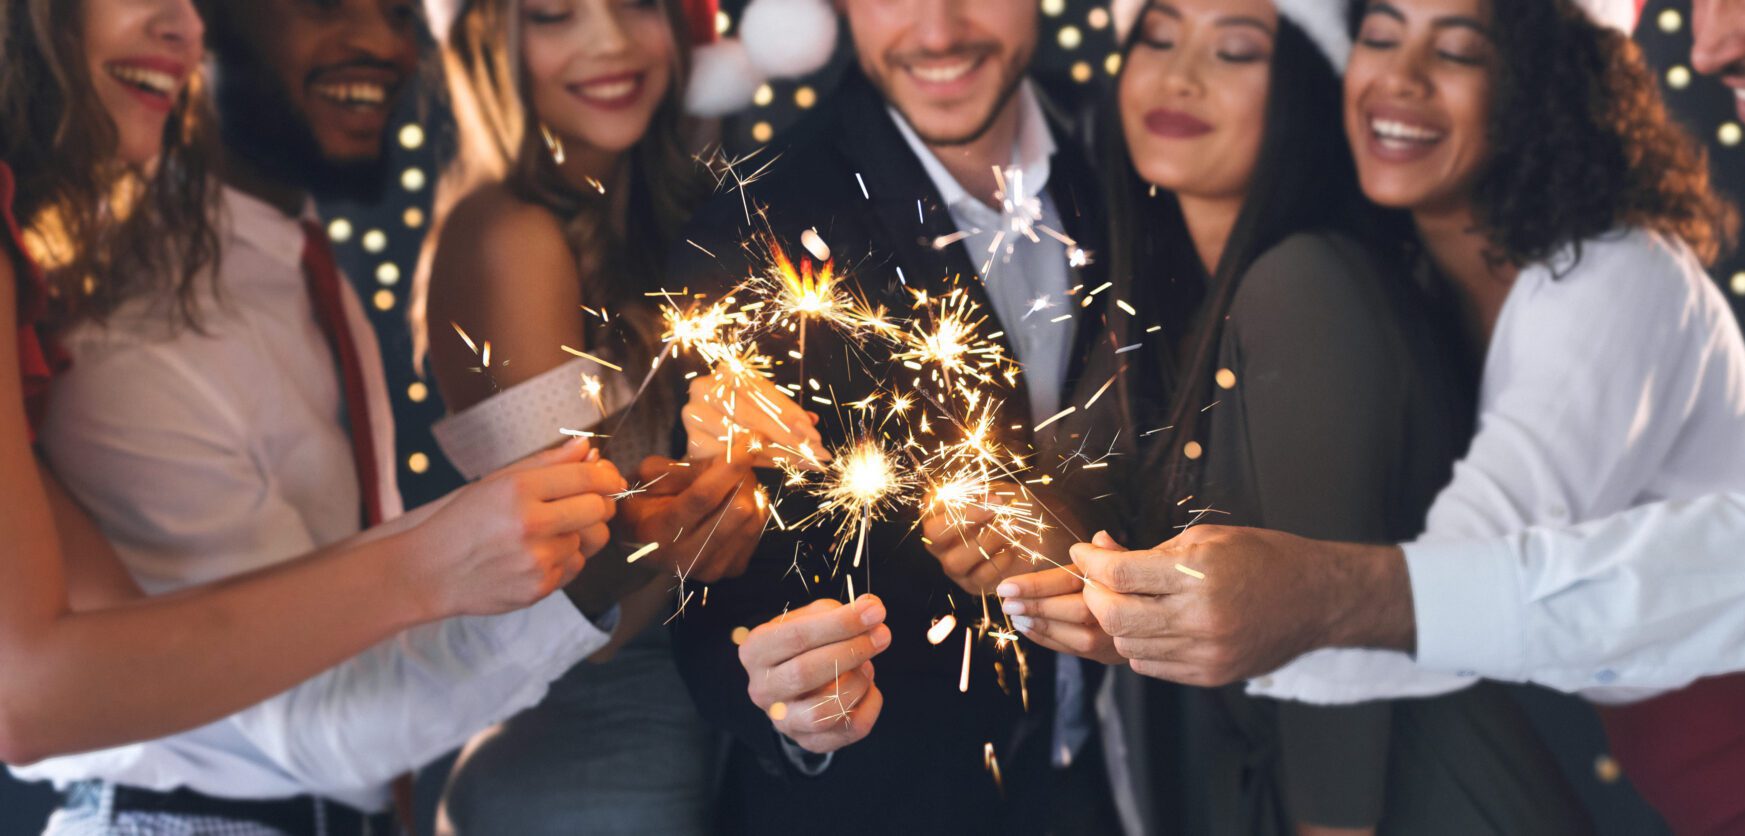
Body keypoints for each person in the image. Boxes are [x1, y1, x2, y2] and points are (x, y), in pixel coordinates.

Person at [1033, 0, 1745, 738]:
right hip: (1685, 766)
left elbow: (1469, 579)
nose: (1401, 79)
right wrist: (1144, 611)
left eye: (1457, 50)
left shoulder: (1615, 279)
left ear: (1540, 92)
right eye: (1379, 37)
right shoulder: (1405, 284)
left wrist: (1194, 621)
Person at [13, 1, 670, 833]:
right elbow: (317, 726)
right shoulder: (142, 323)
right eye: (324, 3)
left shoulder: (287, 263)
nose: (382, 44)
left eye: (399, 12)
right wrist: (631, 549)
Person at [1013, 0, 1588, 832]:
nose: (1179, 76)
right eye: (1160, 37)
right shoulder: (1158, 308)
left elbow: (1335, 666)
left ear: (1309, 91)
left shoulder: (1304, 285)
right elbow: (1078, 503)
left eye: (1236, 51)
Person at [664, 0, 1122, 832]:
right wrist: (792, 702)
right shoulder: (758, 223)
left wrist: (1076, 538)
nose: (938, 31)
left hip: (1113, 775)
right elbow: (708, 588)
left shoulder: (1135, 158)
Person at [414, 0, 775, 832]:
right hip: (586, 767)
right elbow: (568, 593)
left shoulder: (652, 217)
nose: (609, 42)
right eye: (554, 14)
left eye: (637, 4)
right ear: (486, 43)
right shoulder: (514, 236)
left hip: (680, 740)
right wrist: (730, 463)